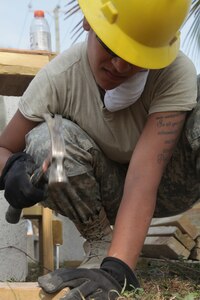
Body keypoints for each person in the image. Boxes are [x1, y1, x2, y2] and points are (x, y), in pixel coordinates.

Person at [0, 0, 198, 298]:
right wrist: (10, 168)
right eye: (111, 48)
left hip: (170, 187)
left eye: (135, 56)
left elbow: (144, 178)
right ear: (89, 23)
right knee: (44, 140)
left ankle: (115, 258)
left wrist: (118, 271)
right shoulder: (60, 78)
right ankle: (101, 244)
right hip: (103, 197)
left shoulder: (173, 72)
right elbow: (3, 146)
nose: (120, 65)